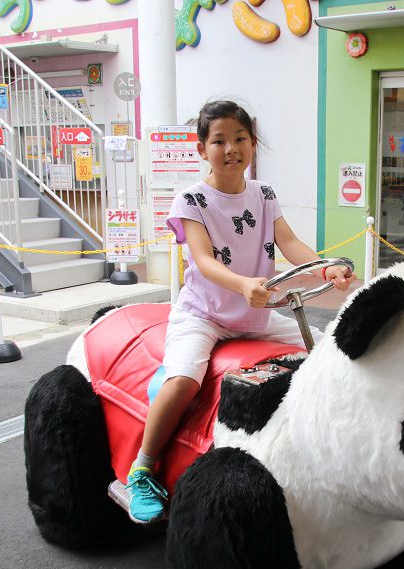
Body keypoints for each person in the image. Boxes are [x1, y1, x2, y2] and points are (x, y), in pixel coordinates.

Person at [108, 100, 355, 524]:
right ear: (202, 149)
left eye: (239, 138)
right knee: (184, 381)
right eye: (219, 140)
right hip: (204, 314)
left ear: (253, 143)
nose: (231, 149)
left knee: (325, 349)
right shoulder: (192, 200)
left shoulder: (264, 194)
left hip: (256, 313)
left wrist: (324, 268)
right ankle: (142, 469)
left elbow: (289, 243)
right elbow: (204, 260)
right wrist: (242, 285)